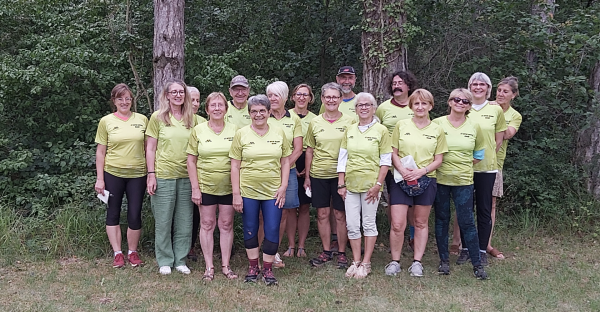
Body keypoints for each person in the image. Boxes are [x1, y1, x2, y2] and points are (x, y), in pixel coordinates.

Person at [230, 94, 291, 286]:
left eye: (262, 111)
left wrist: (283, 187)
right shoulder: (242, 134)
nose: (258, 115)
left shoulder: (279, 132)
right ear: (249, 114)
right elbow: (234, 165)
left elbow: (285, 161)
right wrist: (236, 194)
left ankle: (268, 269)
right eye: (254, 111)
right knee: (250, 229)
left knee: (272, 229)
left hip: (273, 191)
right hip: (248, 190)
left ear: (269, 112)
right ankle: (253, 267)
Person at [385, 89, 447, 277]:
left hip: (426, 179)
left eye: (424, 103)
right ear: (411, 106)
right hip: (401, 179)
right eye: (416, 103)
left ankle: (417, 262)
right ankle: (395, 261)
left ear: (431, 106)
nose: (420, 107)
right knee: (397, 223)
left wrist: (422, 171)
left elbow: (439, 158)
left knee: (420, 222)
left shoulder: (437, 129)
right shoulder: (401, 125)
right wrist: (402, 170)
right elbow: (393, 152)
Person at [432, 88, 488, 279]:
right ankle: (444, 261)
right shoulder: (437, 123)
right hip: (440, 179)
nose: (460, 103)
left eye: (465, 101)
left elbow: (479, 154)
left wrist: (461, 164)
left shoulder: (474, 127)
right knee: (441, 219)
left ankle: (477, 264)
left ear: (469, 106)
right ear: (449, 102)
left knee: (467, 221)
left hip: (464, 180)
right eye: (457, 99)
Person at [337, 92, 391, 278]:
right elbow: (342, 158)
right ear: (356, 109)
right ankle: (356, 261)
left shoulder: (381, 130)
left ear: (374, 108)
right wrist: (341, 184)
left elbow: (385, 160)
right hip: (351, 185)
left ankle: (366, 263)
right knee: (352, 225)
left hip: (371, 186)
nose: (364, 108)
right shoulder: (350, 130)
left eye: (368, 105)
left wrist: (378, 184)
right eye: (360, 105)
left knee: (368, 223)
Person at [146, 79, 197, 275]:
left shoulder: (193, 119)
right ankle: (165, 260)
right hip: (163, 175)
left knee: (185, 221)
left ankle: (180, 260)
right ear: (166, 95)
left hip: (186, 176)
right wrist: (151, 174)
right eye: (173, 92)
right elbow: (150, 148)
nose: (178, 95)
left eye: (181, 92)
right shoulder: (157, 117)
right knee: (164, 220)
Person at [455, 72, 506, 267]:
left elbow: (498, 140)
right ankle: (466, 249)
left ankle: (483, 250)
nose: (477, 87)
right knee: (465, 210)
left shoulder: (496, 110)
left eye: (482, 85)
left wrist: (486, 156)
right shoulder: (462, 106)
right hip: (464, 168)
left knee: (484, 210)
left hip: (486, 168)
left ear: (488, 88)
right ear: (469, 86)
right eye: (474, 84)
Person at [94, 83, 147, 268]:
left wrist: (151, 173)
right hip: (112, 173)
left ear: (132, 100)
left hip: (138, 174)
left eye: (127, 98)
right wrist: (100, 178)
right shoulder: (106, 121)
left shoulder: (142, 119)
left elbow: (149, 148)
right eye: (120, 98)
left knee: (134, 214)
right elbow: (100, 152)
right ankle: (118, 254)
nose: (124, 102)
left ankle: (132, 252)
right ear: (113, 101)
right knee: (113, 213)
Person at [187, 92, 238, 280]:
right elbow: (191, 161)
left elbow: (239, 160)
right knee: (207, 224)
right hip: (205, 186)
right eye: (213, 105)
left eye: (220, 105)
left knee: (226, 224)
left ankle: (226, 265)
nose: (217, 108)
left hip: (229, 187)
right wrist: (195, 188)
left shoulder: (236, 130)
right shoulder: (198, 130)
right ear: (207, 109)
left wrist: (237, 190)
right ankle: (209, 267)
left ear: (226, 109)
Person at [305, 82, 355, 269]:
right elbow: (309, 150)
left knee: (340, 214)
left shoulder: (350, 121)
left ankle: (342, 252)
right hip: (319, 173)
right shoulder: (315, 122)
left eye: (335, 97)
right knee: (322, 213)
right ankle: (326, 251)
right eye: (328, 97)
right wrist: (308, 176)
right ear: (322, 99)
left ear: (341, 99)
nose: (331, 100)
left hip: (342, 175)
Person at [375, 70, 418, 250]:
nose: (397, 86)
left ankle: (413, 236)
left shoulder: (417, 105)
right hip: (389, 162)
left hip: (412, 162)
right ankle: (396, 233)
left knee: (414, 201)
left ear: (409, 86)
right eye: (394, 83)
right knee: (393, 199)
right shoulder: (383, 108)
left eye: (401, 83)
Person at [265, 81, 303, 268]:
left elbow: (298, 148)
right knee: (264, 213)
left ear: (285, 98)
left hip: (289, 171)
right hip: (266, 172)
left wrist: (284, 167)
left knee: (283, 213)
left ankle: (275, 251)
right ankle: (263, 249)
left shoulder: (294, 119)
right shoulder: (262, 116)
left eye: (276, 95)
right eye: (270, 95)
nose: (272, 99)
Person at [488, 76, 522, 259]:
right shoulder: (485, 106)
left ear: (513, 95)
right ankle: (458, 242)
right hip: (474, 161)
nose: (501, 94)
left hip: (495, 162)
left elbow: (508, 134)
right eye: (499, 90)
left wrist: (497, 116)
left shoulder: (515, 116)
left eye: (506, 91)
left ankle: (486, 243)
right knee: (466, 201)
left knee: (490, 204)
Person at [287, 84, 317, 258]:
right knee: (290, 207)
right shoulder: (287, 115)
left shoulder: (315, 119)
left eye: (305, 94)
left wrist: (308, 169)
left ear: (310, 98)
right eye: (299, 94)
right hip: (289, 159)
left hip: (308, 159)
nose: (302, 97)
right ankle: (290, 245)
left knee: (304, 207)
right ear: (293, 96)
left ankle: (302, 246)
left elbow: (314, 145)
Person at [186, 86, 206, 262]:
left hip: (198, 174)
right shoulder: (170, 119)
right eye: (191, 99)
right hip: (173, 173)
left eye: (198, 100)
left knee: (195, 213)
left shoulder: (202, 122)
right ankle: (173, 246)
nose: (195, 103)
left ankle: (190, 246)